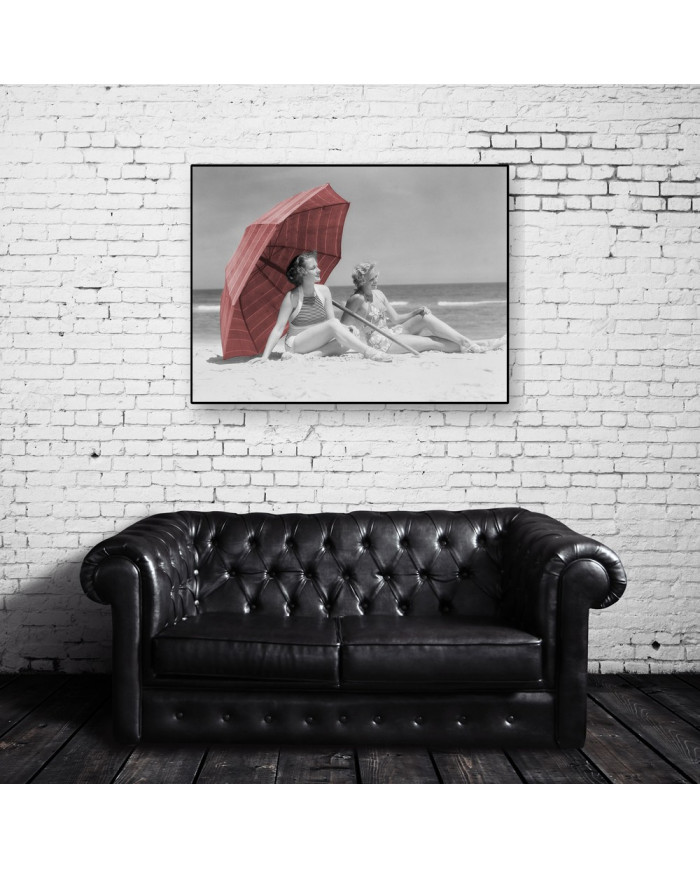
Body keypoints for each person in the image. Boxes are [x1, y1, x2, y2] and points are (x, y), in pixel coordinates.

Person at [252, 252, 392, 363]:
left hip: (316, 342)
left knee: (351, 333)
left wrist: (347, 330)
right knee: (337, 328)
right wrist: (265, 356)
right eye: (313, 268)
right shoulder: (292, 297)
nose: (319, 270)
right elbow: (278, 328)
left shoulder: (324, 291)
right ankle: (369, 352)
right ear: (302, 272)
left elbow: (332, 324)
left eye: (317, 266)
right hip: (296, 343)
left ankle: (311, 356)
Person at [340, 262, 506, 355]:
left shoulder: (379, 294)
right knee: (431, 342)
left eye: (376, 277)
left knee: (423, 317)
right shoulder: (356, 299)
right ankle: (479, 344)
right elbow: (343, 329)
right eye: (372, 279)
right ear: (362, 281)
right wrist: (352, 332)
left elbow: (396, 319)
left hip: (391, 333)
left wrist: (415, 312)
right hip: (381, 344)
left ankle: (466, 342)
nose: (376, 281)